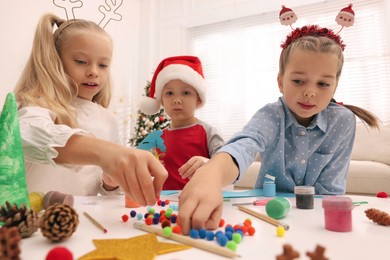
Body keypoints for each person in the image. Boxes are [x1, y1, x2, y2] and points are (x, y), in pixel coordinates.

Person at [177, 25, 380, 234]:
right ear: (281, 81)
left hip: (318, 218)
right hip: (268, 214)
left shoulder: (343, 121)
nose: (310, 92)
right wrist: (213, 172)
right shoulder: (271, 115)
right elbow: (244, 145)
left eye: (322, 84)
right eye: (298, 81)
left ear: (335, 86)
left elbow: (331, 190)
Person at [13, 13, 167, 205]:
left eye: (103, 65)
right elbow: (26, 135)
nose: (94, 71)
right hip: (34, 224)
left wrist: (110, 183)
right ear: (55, 62)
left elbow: (105, 190)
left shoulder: (107, 119)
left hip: (82, 225)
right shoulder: (37, 104)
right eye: (81, 61)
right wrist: (104, 153)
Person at [140, 56, 224, 190]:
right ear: (161, 100)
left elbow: (225, 167)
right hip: (164, 205)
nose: (177, 100)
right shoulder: (157, 138)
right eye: (169, 93)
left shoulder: (208, 132)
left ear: (198, 99)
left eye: (185, 92)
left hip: (199, 200)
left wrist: (208, 163)